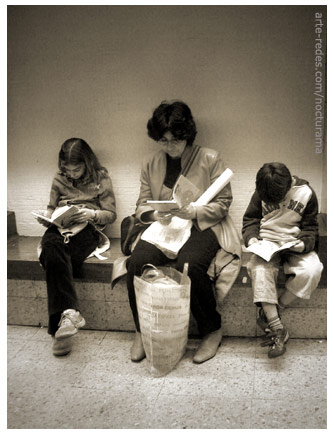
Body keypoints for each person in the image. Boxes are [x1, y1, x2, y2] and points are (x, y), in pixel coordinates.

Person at [126, 100, 241, 364]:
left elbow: (223, 204)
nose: (170, 146)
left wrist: (196, 212)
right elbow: (142, 203)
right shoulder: (151, 164)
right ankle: (141, 330)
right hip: (166, 226)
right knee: (136, 262)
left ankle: (212, 330)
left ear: (187, 134)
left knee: (189, 264)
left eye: (176, 139)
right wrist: (155, 214)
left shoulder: (210, 158)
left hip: (202, 225)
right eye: (164, 140)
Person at [37, 138, 117, 356]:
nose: (71, 173)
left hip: (87, 228)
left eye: (77, 168)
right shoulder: (59, 178)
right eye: (67, 169)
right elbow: (50, 208)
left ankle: (58, 329)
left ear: (87, 162)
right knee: (52, 247)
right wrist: (46, 218)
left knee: (53, 257)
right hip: (60, 226)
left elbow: (111, 214)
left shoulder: (101, 177)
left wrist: (92, 214)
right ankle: (70, 312)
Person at [242, 162, 323, 358]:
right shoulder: (261, 191)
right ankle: (278, 330)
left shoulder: (306, 193)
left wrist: (303, 245)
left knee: (312, 270)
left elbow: (311, 228)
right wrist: (252, 238)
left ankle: (275, 310)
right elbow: (250, 221)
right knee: (258, 269)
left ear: (288, 185)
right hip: (267, 244)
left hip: (294, 243)